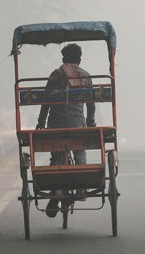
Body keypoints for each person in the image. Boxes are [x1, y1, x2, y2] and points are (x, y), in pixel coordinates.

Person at [35, 43, 96, 217]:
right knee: (80, 150)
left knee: (56, 154)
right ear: (79, 58)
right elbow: (91, 105)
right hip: (77, 125)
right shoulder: (86, 76)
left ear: (63, 59)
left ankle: (57, 189)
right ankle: (81, 188)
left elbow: (45, 102)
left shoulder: (55, 75)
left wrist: (41, 122)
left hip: (56, 126)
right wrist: (91, 123)